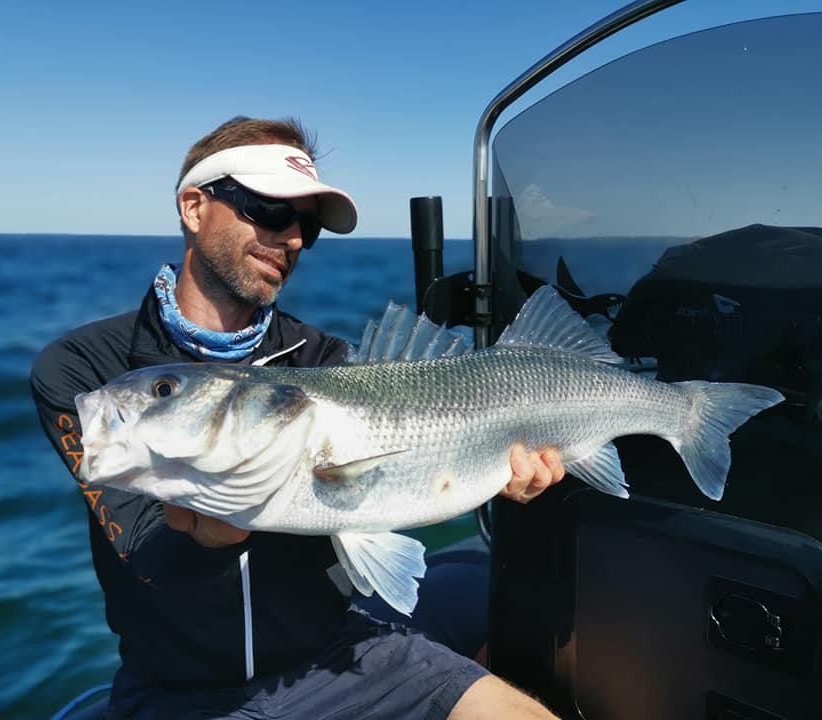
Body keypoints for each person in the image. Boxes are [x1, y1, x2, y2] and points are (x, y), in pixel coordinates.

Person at [32, 116, 566, 720]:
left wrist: (506, 477)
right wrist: (215, 536)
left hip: (341, 656)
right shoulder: (85, 372)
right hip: (179, 692)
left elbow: (406, 487)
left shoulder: (329, 363)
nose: (288, 238)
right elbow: (144, 555)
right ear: (193, 207)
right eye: (265, 209)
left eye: (306, 226)